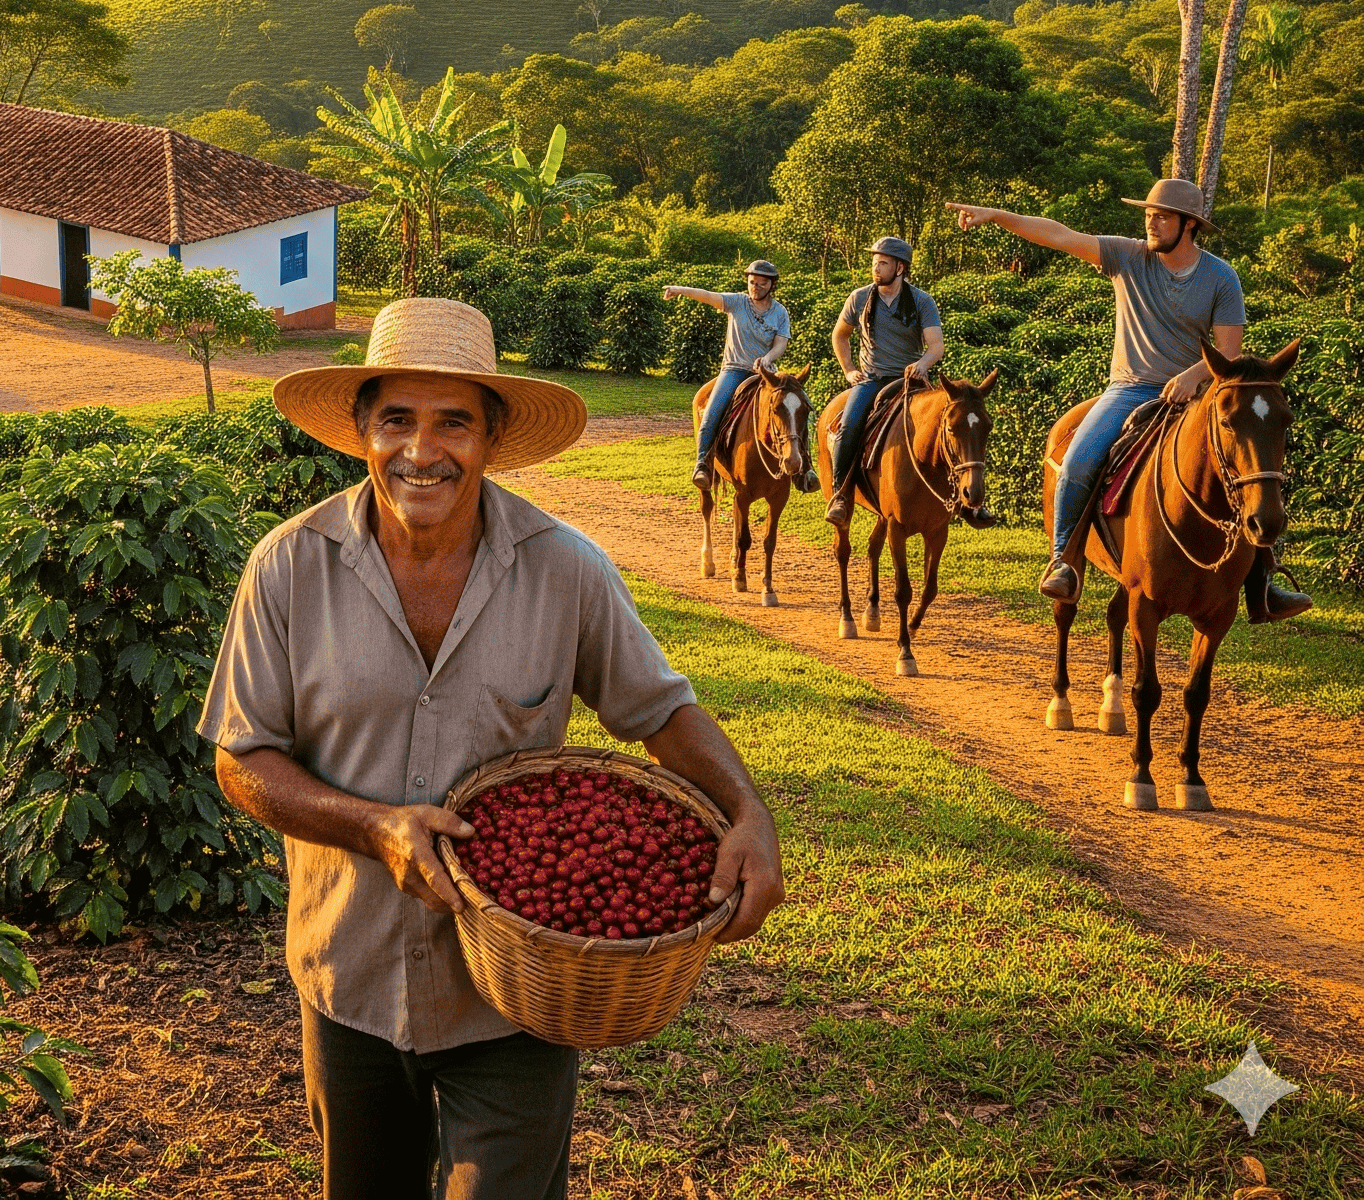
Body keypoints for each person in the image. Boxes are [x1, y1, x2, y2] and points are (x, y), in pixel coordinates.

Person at [200, 297, 785, 1200]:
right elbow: (242, 759)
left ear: (491, 437)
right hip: (347, 973)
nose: (422, 451)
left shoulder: (565, 569)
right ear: (361, 429)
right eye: (397, 418)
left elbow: (661, 710)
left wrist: (747, 814)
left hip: (515, 1001)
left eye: (453, 423)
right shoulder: (287, 568)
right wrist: (374, 827)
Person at [948, 179, 1312, 619]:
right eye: (1149, 215)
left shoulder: (1221, 277)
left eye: (1161, 217)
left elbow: (1230, 354)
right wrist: (996, 215)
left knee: (1252, 466)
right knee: (1079, 459)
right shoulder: (1127, 255)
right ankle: (1064, 560)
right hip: (1129, 388)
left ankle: (1265, 582)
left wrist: (1192, 376)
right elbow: (1060, 234)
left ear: (1188, 225)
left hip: (1197, 393)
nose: (1151, 223)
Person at [827, 236, 944, 527]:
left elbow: (936, 346)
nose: (875, 268)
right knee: (848, 425)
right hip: (871, 379)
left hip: (912, 381)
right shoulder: (859, 297)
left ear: (900, 268)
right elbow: (840, 336)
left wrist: (922, 363)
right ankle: (841, 494)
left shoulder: (921, 301)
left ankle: (966, 500)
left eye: (882, 263)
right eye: (874, 262)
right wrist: (849, 370)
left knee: (952, 426)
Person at [664, 258, 794, 491]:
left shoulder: (780, 312)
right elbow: (708, 295)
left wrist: (768, 358)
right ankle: (702, 463)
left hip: (765, 373)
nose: (755, 287)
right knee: (712, 413)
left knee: (797, 406)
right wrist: (679, 290)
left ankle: (804, 467)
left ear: (772, 285)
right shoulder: (737, 302)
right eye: (752, 282)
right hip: (734, 369)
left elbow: (781, 343)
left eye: (761, 284)